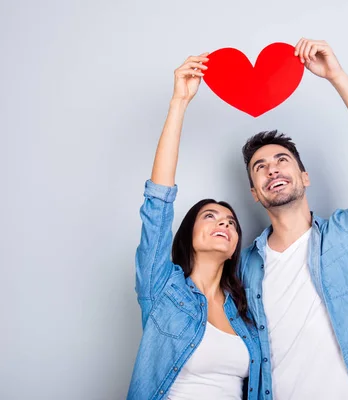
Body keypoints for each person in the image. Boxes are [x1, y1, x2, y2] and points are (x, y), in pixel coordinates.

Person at [239, 38, 348, 399]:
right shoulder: (243, 266)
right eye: (260, 167)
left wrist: (336, 76)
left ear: (304, 176)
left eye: (282, 160)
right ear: (254, 192)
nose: (272, 169)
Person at [127, 54, 262, 400]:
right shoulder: (163, 288)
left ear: (235, 245)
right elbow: (157, 203)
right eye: (211, 217)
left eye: (230, 222)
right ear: (188, 234)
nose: (224, 224)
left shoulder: (245, 309)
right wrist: (179, 103)